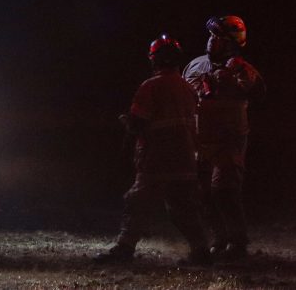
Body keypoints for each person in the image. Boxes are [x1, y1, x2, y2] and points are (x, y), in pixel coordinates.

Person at [94, 34, 212, 266]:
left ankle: (124, 248)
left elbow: (139, 122)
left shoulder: (150, 87)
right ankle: (201, 250)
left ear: (154, 60)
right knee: (184, 208)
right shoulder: (188, 89)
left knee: (137, 203)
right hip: (185, 159)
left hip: (157, 159)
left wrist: (127, 123)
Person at [182, 15, 265, 260]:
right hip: (200, 140)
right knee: (203, 193)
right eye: (211, 36)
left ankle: (238, 242)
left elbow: (260, 93)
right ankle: (218, 239)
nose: (211, 42)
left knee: (224, 190)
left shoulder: (242, 68)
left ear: (232, 43)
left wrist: (237, 72)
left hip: (230, 139)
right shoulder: (195, 65)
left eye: (218, 38)